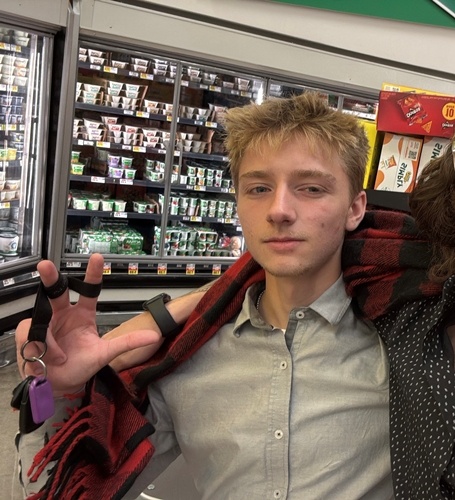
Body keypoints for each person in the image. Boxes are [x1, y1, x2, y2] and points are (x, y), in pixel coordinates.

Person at [14, 92, 455, 500]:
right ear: (239, 204)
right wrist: (58, 393)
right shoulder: (185, 355)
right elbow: (74, 483)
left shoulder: (413, 345)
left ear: (356, 208)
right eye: (258, 188)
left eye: (312, 188)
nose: (279, 210)